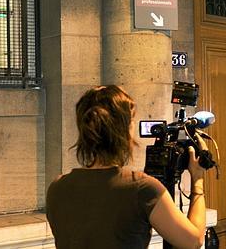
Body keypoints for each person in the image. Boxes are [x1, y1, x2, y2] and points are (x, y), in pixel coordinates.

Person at [46, 85, 207, 249]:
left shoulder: (57, 188)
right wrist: (197, 180)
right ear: (123, 131)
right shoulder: (142, 189)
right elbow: (193, 241)